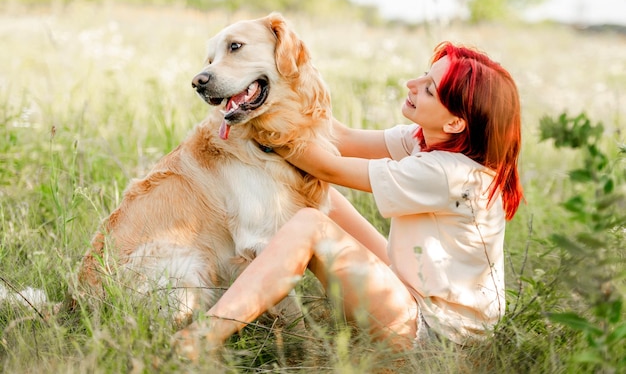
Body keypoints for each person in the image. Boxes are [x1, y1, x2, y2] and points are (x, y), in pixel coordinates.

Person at [173, 41, 523, 358]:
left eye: (429, 89)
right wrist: (292, 80)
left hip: (438, 336)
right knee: (323, 200)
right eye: (423, 76)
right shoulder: (423, 139)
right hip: (413, 288)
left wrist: (255, 119)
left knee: (312, 221)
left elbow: (329, 166)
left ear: (456, 124)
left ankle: (205, 335)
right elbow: (340, 136)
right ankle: (256, 278)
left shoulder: (449, 174)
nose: (411, 85)